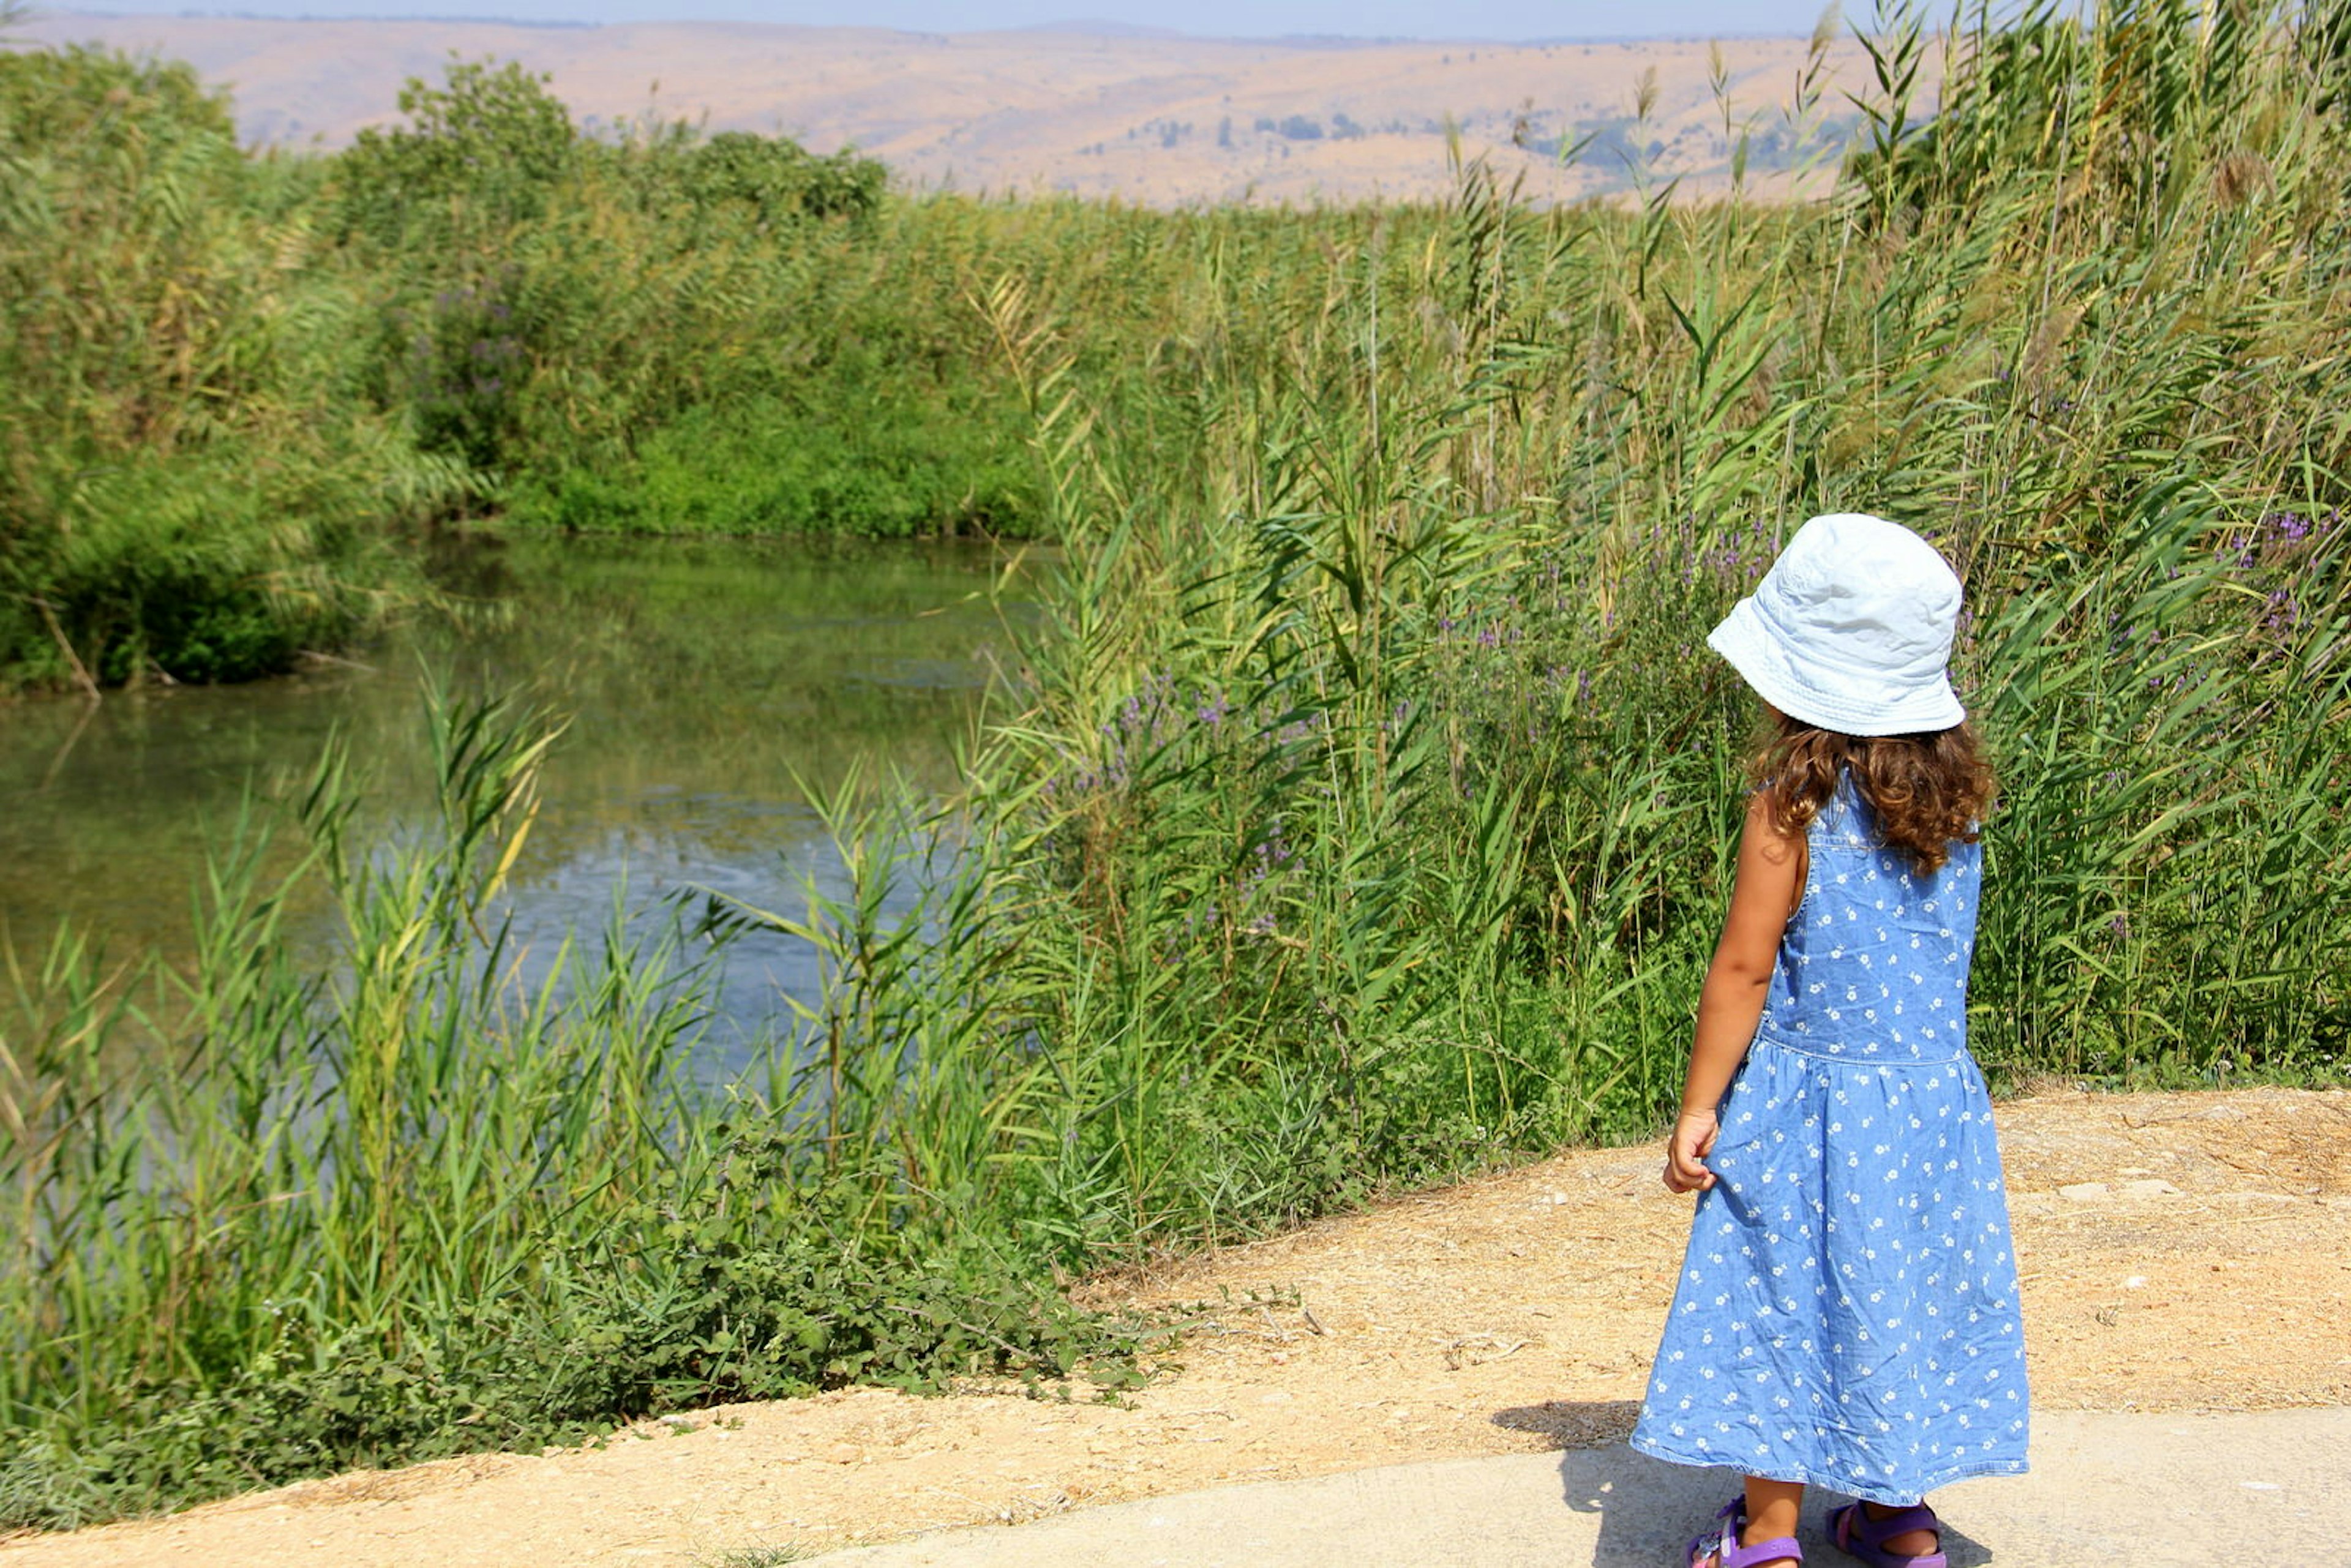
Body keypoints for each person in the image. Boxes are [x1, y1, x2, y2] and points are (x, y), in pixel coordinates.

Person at [1627, 514, 2030, 1568]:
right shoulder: (1957, 809)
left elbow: (1744, 969)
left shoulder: (1791, 811)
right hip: (1927, 1111)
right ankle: (1898, 1517)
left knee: (1780, 1299)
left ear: (1798, 681)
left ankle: (1765, 1534)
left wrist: (1701, 1103)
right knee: (1894, 1288)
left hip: (1807, 1104)